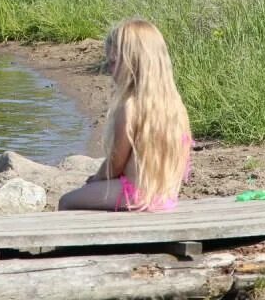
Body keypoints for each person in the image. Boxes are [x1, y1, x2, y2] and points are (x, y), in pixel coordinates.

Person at [58, 18, 192, 212]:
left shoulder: (129, 105)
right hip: (163, 196)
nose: (109, 70)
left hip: (133, 192)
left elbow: (116, 162)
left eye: (113, 62)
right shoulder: (175, 105)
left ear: (134, 63)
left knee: (67, 201)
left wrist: (95, 180)